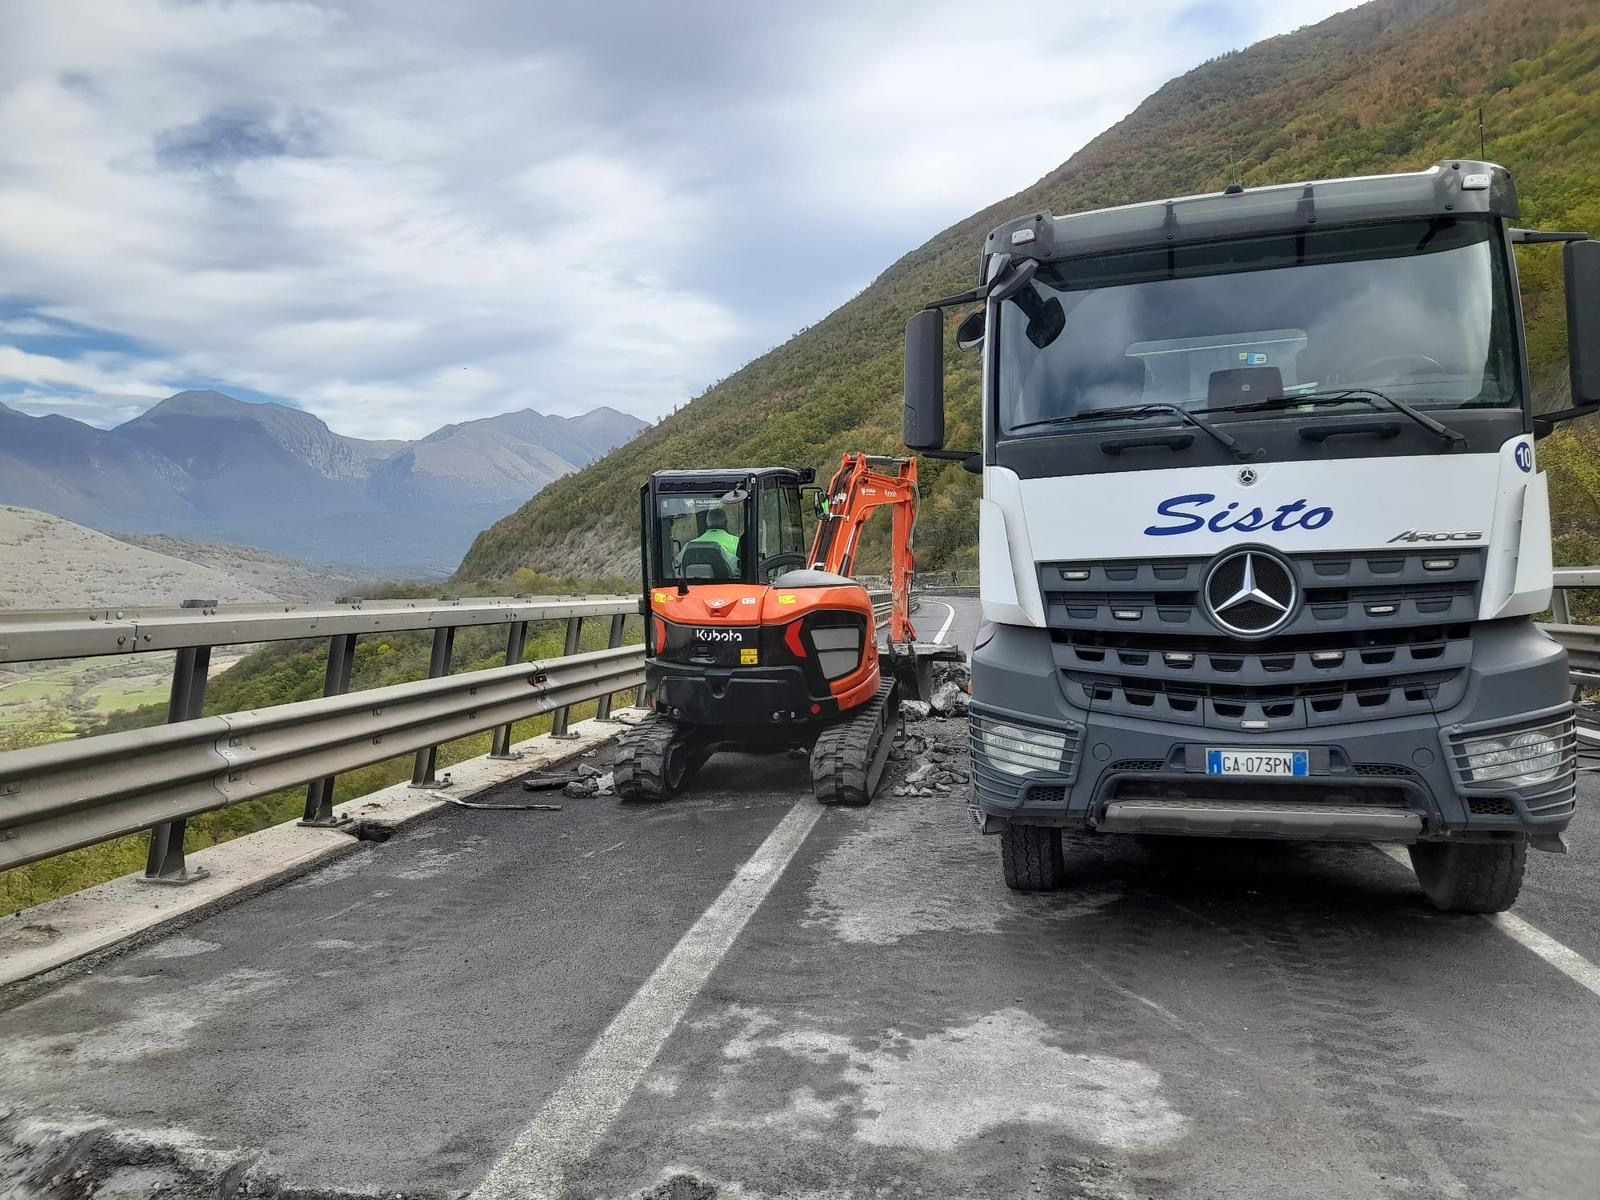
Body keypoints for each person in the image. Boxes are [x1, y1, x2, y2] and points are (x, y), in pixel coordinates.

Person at [679, 507, 740, 576]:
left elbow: (680, 571)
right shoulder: (737, 542)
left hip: (693, 586)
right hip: (728, 585)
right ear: (726, 523)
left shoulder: (689, 545)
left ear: (707, 523)